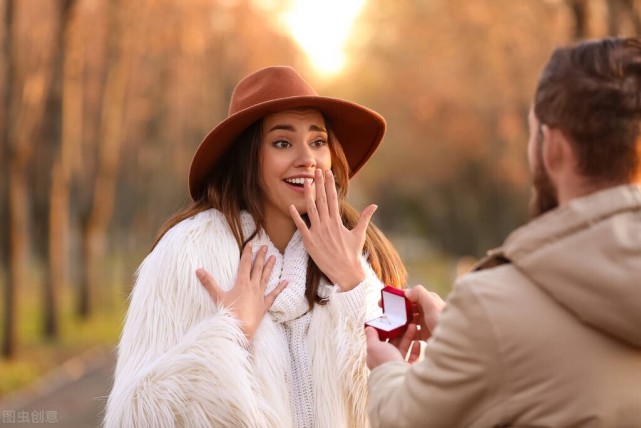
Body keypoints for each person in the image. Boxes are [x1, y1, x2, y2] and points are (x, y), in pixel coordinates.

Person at [104, 65, 406, 427]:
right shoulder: (187, 253)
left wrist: (355, 283)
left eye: (318, 141)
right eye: (282, 142)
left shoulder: (366, 254)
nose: (307, 158)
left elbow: (411, 399)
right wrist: (229, 333)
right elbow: (134, 415)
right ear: (248, 157)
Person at [365, 36, 641, 427]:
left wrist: (386, 370)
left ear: (553, 147)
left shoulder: (491, 305)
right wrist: (461, 338)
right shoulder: (489, 316)